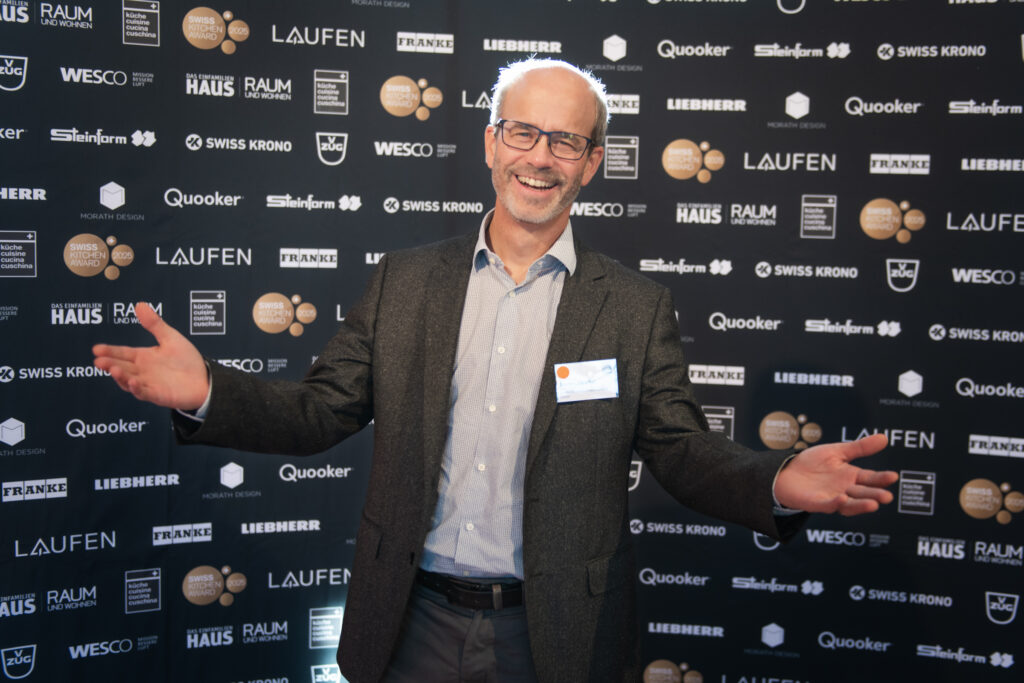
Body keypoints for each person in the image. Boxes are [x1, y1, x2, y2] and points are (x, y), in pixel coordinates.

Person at [93, 59, 898, 683]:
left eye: (565, 141)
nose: (539, 158)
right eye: (522, 133)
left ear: (592, 162)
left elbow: (683, 451)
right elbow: (319, 411)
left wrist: (774, 480)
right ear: (490, 142)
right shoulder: (406, 281)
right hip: (407, 619)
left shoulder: (634, 307)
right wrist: (209, 391)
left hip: (556, 633)